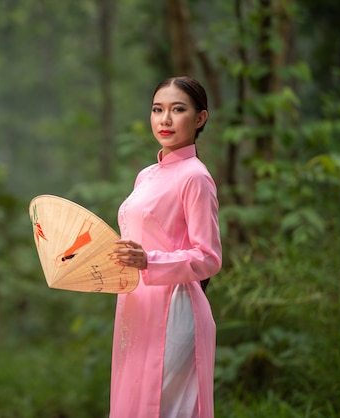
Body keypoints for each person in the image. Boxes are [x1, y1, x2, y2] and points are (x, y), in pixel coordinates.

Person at [111, 76, 222, 418]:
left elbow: (208, 257)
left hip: (174, 308)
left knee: (163, 407)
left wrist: (149, 261)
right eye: (158, 110)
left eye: (178, 110)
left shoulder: (195, 177)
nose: (165, 119)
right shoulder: (146, 175)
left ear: (200, 118)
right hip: (134, 304)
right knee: (130, 401)